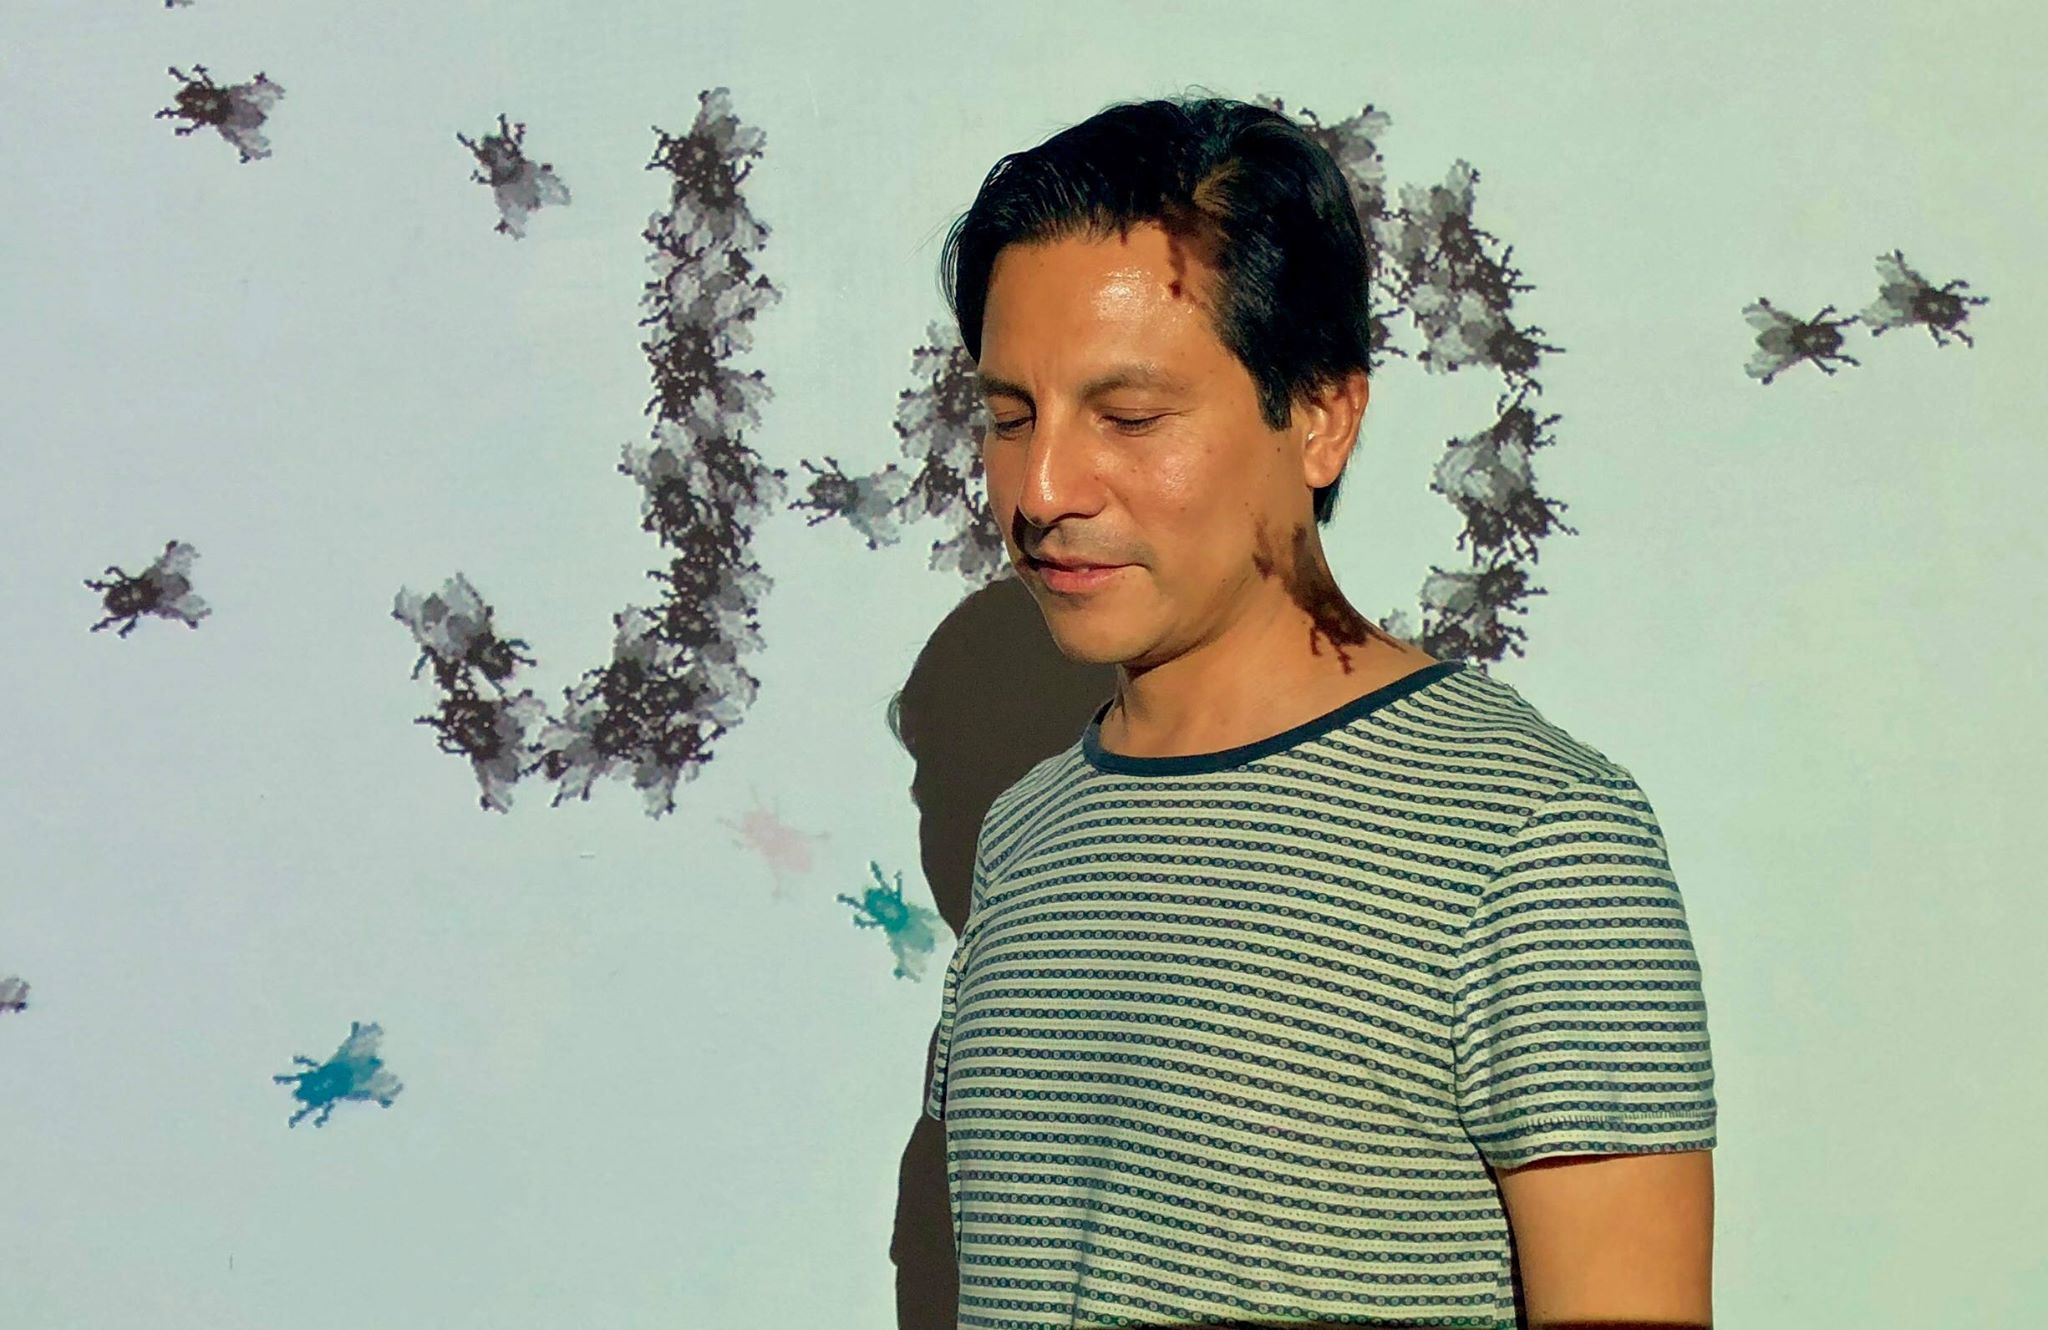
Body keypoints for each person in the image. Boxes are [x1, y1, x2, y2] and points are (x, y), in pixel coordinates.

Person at [923, 93, 1716, 1330]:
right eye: (1009, 416)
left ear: (1321, 417)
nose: (1042, 488)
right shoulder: (1025, 835)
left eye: (1128, 417)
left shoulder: (1533, 837)